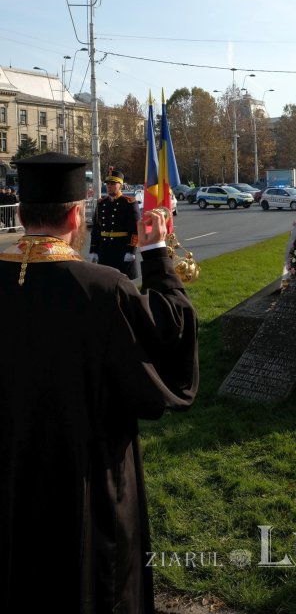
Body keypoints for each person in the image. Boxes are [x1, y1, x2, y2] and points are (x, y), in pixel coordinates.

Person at [0, 152, 199, 614]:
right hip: (87, 486)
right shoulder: (104, 288)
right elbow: (169, 345)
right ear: (76, 214)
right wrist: (156, 255)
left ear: (22, 213)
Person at [90, 168, 141, 278]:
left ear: (121, 186)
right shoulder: (101, 204)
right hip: (104, 250)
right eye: (108, 184)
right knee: (105, 283)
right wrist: (93, 249)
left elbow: (135, 229)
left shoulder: (129, 203)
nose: (109, 186)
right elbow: (96, 229)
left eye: (113, 183)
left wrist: (131, 250)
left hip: (121, 250)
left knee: (124, 284)